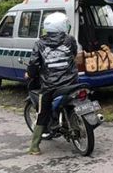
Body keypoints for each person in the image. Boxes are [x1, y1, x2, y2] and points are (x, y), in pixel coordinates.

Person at [25, 12, 79, 155]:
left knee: (42, 112)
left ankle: (34, 147)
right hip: (73, 81)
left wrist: (29, 74)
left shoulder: (40, 43)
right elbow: (74, 54)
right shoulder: (70, 40)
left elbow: (34, 64)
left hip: (51, 86)